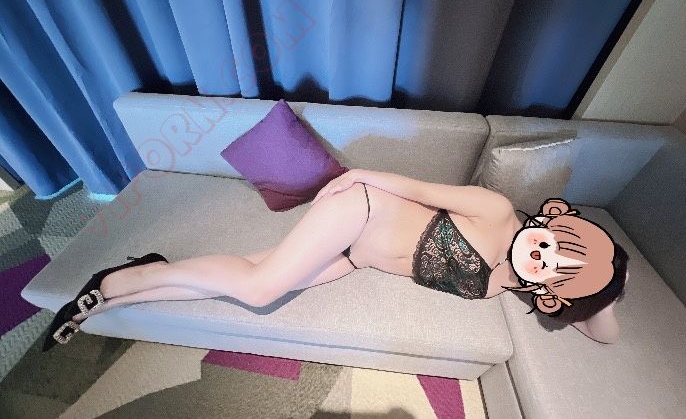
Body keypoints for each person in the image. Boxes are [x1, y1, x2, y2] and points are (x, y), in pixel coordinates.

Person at [43, 168, 628, 350]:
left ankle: (109, 295)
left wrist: (609, 281)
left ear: (555, 292)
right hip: (361, 212)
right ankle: (117, 279)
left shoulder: (520, 285)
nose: (545, 257)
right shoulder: (496, 210)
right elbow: (418, 189)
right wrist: (354, 179)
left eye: (559, 270)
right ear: (556, 218)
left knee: (243, 277)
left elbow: (605, 332)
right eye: (559, 243)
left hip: (355, 256)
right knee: (259, 290)